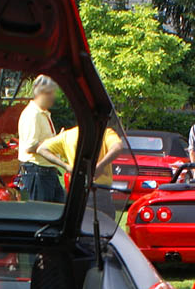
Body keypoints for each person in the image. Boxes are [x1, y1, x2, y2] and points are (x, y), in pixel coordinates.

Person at [35, 125, 124, 214]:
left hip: (76, 191)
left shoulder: (67, 135)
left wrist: (66, 166)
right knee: (104, 225)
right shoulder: (105, 133)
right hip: (99, 192)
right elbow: (117, 147)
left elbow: (41, 149)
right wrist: (100, 165)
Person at [16, 75, 65, 204]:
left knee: (59, 211)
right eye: (51, 93)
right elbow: (30, 147)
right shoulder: (32, 114)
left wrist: (56, 140)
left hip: (47, 173)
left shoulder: (43, 113)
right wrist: (55, 142)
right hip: (37, 172)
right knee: (41, 216)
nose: (53, 97)